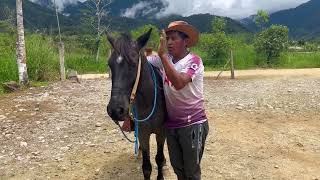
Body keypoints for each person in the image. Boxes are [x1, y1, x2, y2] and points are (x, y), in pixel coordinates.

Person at [147, 21, 209, 180]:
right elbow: (141, 61)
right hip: (172, 125)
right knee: (178, 169)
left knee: (191, 172)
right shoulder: (165, 59)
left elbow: (180, 82)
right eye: (167, 39)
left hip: (193, 124)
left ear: (186, 41)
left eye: (173, 38)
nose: (168, 42)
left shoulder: (194, 61)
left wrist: (161, 56)